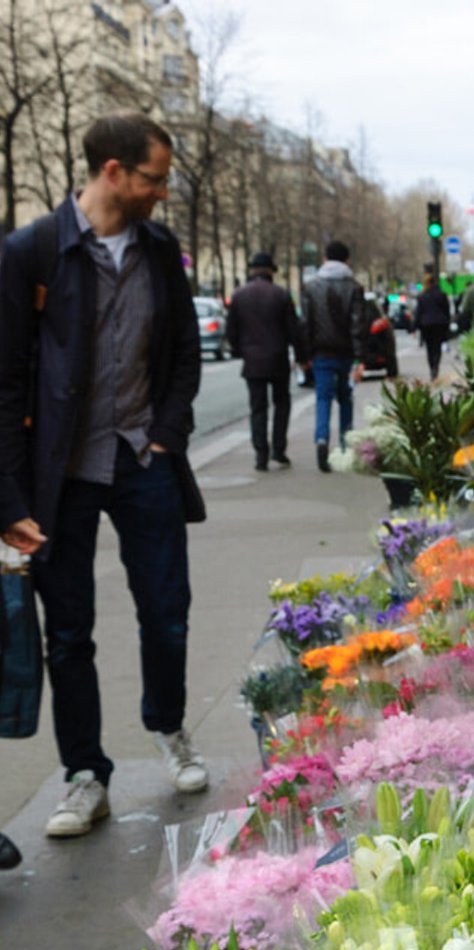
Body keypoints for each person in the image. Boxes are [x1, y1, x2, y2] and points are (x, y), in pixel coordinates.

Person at [0, 110, 207, 838]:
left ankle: (170, 728)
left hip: (140, 458)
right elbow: (5, 380)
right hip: (60, 478)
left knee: (168, 612)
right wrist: (8, 497)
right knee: (68, 634)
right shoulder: (32, 252)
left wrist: (168, 434)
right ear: (113, 172)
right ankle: (85, 775)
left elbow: (185, 354)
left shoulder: (159, 248)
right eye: (154, 178)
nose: (162, 192)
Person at [226, 251, 307, 471]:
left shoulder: (239, 295)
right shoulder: (281, 294)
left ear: (252, 270)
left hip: (252, 361)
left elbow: (231, 330)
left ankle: (260, 454)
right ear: (271, 271)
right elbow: (294, 331)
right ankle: (279, 450)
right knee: (282, 404)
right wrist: (301, 358)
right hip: (278, 358)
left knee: (257, 408)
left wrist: (239, 351)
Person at [301, 240, 367, 472]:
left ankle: (321, 439)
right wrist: (359, 358)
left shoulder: (311, 287)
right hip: (346, 354)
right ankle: (344, 445)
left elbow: (306, 323)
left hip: (321, 353)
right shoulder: (354, 287)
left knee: (323, 398)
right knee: (346, 398)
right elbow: (357, 325)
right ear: (347, 260)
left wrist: (305, 355)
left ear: (325, 259)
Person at [413, 273, 451, 381]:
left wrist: (414, 327)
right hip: (439, 324)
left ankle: (432, 368)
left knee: (429, 348)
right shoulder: (442, 295)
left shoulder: (422, 296)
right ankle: (435, 367)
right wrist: (447, 323)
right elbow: (446, 311)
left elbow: (418, 313)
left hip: (426, 325)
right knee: (437, 347)